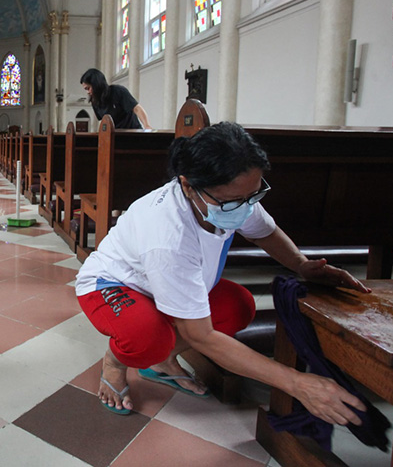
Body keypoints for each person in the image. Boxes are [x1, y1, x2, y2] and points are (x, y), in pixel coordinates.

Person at [76, 122, 369, 426]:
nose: (245, 207)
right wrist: (297, 383)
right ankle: (114, 362)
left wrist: (301, 264)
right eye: (231, 202)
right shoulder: (168, 235)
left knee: (237, 306)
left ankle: (162, 361)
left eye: (254, 195)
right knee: (148, 337)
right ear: (188, 185)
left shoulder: (233, 195)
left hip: (165, 280)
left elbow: (263, 233)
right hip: (112, 283)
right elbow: (199, 335)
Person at [80, 68, 151, 129]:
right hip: (115, 136)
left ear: (96, 84)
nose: (88, 92)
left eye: (88, 88)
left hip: (132, 132)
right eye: (86, 89)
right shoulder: (94, 101)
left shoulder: (118, 91)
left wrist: (147, 126)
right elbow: (104, 122)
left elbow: (137, 109)